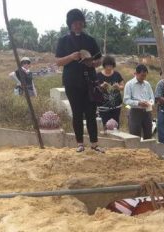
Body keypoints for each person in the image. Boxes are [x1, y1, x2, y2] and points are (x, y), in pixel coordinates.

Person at [55, 9, 104, 153]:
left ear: (83, 23)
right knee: (76, 113)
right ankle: (80, 144)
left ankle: (94, 144)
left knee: (91, 113)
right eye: (75, 22)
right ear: (70, 24)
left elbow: (99, 59)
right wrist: (71, 57)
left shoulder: (90, 40)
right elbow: (58, 62)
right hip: (72, 82)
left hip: (90, 82)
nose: (78, 25)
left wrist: (94, 64)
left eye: (80, 22)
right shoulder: (63, 40)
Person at [123, 64, 154, 139]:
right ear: (136, 74)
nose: (143, 77)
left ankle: (148, 150)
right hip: (135, 111)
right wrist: (138, 103)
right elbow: (126, 100)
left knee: (148, 134)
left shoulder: (147, 84)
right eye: (142, 75)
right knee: (135, 135)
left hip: (147, 111)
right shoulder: (129, 84)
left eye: (145, 76)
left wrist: (150, 103)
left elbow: (152, 97)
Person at [97, 55, 124, 130]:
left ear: (113, 66)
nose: (109, 67)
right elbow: (95, 89)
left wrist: (118, 87)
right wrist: (102, 86)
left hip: (116, 106)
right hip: (103, 106)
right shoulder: (98, 75)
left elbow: (122, 86)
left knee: (115, 125)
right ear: (104, 65)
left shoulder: (117, 74)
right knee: (105, 125)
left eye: (111, 66)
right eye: (107, 65)